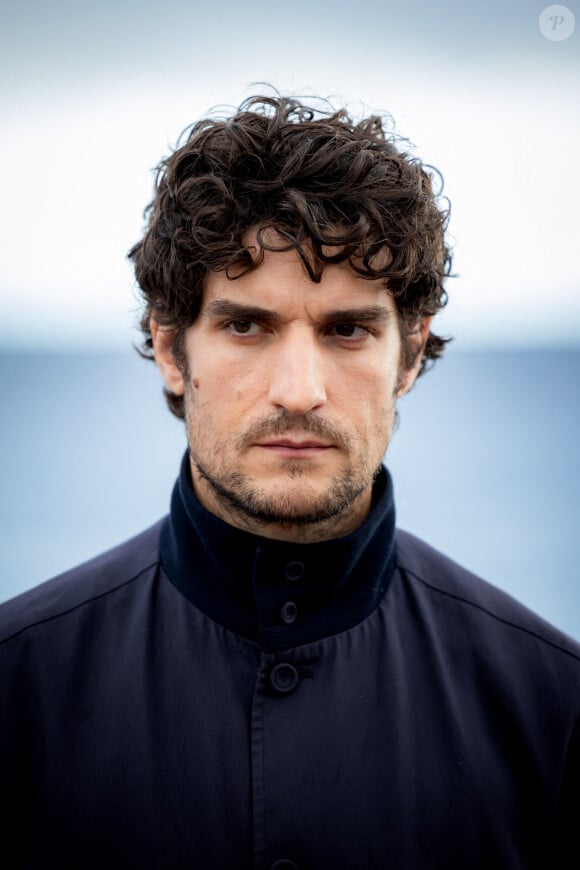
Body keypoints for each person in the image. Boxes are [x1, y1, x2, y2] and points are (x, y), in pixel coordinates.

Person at [0, 94, 578, 870]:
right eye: (246, 325)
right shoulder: (17, 687)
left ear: (408, 355)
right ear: (172, 351)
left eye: (347, 330)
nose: (299, 390)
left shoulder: (552, 706)